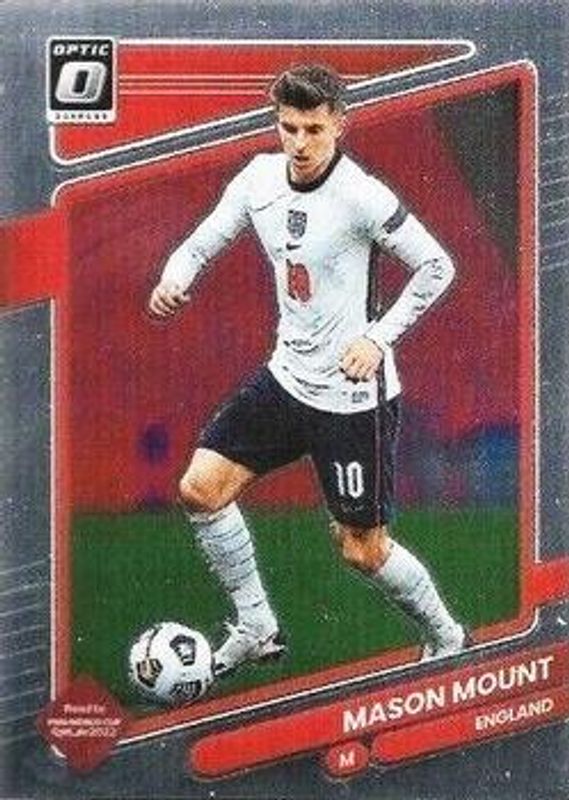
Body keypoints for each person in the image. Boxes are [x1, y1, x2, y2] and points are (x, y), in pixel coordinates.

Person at [149, 63, 469, 678]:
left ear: (339, 125)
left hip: (352, 400)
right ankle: (257, 626)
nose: (298, 143)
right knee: (200, 490)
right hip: (287, 380)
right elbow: (201, 243)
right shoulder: (258, 178)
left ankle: (447, 636)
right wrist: (174, 278)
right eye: (288, 128)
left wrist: (376, 337)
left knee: (362, 550)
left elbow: (437, 266)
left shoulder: (362, 196)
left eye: (313, 129)